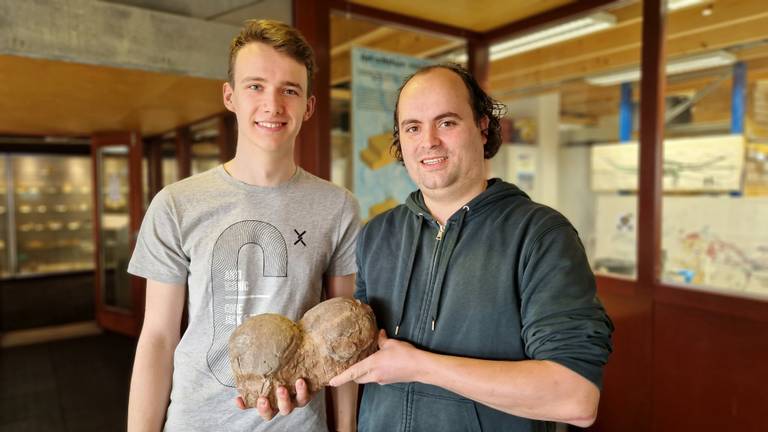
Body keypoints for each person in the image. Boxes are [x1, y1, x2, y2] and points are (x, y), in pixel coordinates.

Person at [329, 63, 614, 431]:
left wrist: (422, 367)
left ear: (482, 127)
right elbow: (361, 357)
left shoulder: (541, 235)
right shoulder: (377, 234)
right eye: (412, 127)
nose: (428, 140)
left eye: (446, 122)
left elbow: (574, 397)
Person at [127, 19, 360, 432]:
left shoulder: (337, 207)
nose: (273, 105)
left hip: (298, 423)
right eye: (256, 86)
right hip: (197, 421)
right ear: (229, 96)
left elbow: (344, 344)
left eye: (290, 90)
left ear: (308, 106)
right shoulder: (176, 204)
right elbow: (158, 338)